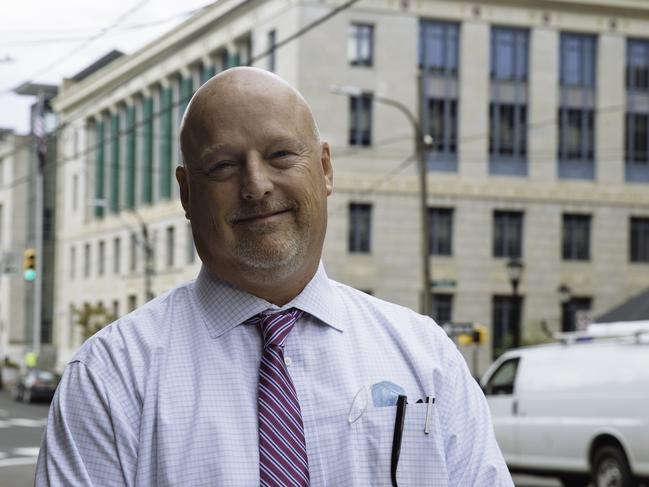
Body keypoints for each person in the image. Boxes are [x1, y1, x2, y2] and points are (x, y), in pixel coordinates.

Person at [36, 67, 513, 486]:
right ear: (186, 193)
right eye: (223, 166)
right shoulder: (112, 377)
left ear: (325, 169)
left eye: (281, 155)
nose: (256, 185)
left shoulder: (427, 357)